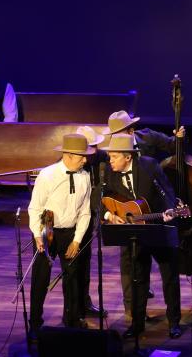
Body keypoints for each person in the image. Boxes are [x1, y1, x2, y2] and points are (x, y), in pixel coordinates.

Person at [101, 133, 182, 339]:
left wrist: (169, 212)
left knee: (169, 277)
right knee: (138, 278)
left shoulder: (149, 166)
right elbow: (102, 197)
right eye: (109, 156)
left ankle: (174, 322)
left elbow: (167, 192)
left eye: (114, 157)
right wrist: (110, 215)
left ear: (128, 157)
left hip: (157, 226)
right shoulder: (111, 173)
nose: (110, 161)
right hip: (134, 231)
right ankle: (137, 325)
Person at [28, 132, 94, 332]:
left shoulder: (85, 177)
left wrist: (77, 240)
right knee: (40, 279)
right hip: (47, 231)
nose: (86, 159)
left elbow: (85, 212)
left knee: (73, 279)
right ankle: (35, 324)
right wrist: (37, 235)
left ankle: (72, 321)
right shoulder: (47, 175)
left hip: (70, 234)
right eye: (82, 156)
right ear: (69, 156)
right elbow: (35, 208)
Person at [74, 125, 106, 319]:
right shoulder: (70, 162)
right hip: (74, 218)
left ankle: (85, 303)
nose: (92, 151)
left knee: (86, 263)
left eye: (94, 146)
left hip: (93, 215)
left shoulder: (101, 158)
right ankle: (74, 308)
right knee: (75, 265)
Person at [100, 109, 183, 160]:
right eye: (114, 135)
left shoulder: (148, 136)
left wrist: (179, 137)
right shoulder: (112, 150)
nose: (116, 139)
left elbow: (172, 145)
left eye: (120, 135)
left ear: (131, 131)